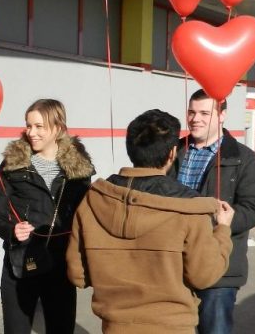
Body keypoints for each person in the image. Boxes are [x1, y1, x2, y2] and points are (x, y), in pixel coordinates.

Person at [66, 109, 234, 334]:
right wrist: (222, 231)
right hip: (174, 327)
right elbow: (204, 275)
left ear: (130, 148)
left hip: (115, 326)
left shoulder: (93, 200)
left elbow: (77, 274)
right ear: (172, 153)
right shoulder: (189, 209)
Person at [0, 99, 95, 334]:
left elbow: (86, 216)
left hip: (61, 267)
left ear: (57, 127)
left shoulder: (79, 168)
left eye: (39, 126)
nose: (31, 133)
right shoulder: (13, 165)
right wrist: (11, 229)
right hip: (20, 263)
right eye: (28, 126)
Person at [168, 89, 255, 334]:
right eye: (191, 112)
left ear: (222, 115)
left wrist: (222, 221)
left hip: (220, 268)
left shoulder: (244, 158)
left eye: (204, 113)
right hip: (173, 262)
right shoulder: (174, 152)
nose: (195, 119)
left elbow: (254, 208)